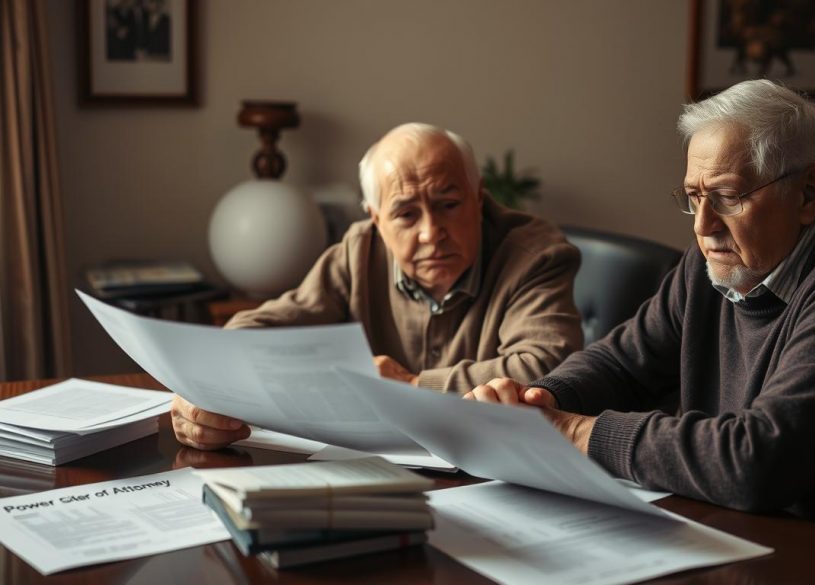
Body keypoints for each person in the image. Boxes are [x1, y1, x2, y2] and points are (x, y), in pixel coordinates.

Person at [464, 80, 815, 562]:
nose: (703, 225)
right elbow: (624, 362)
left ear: (808, 193)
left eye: (728, 196)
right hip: (744, 538)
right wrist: (538, 401)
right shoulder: (718, 257)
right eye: (694, 197)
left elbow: (757, 460)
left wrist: (574, 432)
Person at [172, 123, 582, 450]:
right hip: (375, 467)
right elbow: (258, 332)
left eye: (449, 204)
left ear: (478, 199)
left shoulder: (535, 254)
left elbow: (548, 367)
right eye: (405, 213)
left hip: (495, 466)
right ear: (376, 219)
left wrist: (411, 388)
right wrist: (203, 388)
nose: (430, 233)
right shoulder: (359, 250)